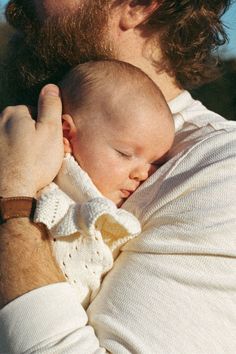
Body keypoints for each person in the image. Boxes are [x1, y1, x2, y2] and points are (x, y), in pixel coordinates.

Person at [0, 1, 236, 353]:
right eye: (126, 154)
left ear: (139, 5)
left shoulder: (218, 172)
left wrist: (13, 197)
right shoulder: (18, 130)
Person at [34, 59, 174, 307]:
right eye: (124, 153)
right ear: (66, 133)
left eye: (156, 163)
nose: (142, 174)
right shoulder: (45, 194)